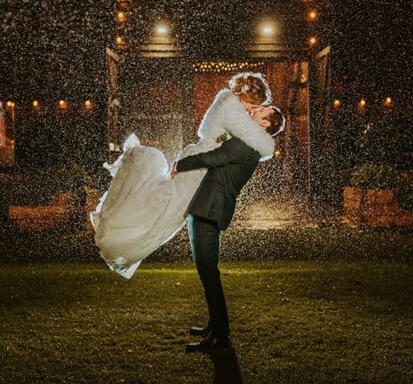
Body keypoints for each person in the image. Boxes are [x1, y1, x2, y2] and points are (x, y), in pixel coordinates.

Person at [89, 73, 276, 278]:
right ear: (247, 98)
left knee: (168, 210)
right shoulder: (231, 107)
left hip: (202, 165)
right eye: (253, 106)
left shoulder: (233, 107)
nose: (252, 111)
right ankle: (119, 233)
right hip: (199, 165)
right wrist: (269, 143)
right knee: (167, 208)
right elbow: (258, 142)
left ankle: (123, 231)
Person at [175, 105, 285, 352]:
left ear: (265, 124)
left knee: (209, 275)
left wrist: (180, 164)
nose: (255, 109)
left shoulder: (246, 144)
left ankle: (219, 337)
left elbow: (212, 158)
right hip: (209, 207)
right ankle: (214, 327)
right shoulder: (250, 144)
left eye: (261, 111)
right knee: (208, 274)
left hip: (209, 209)